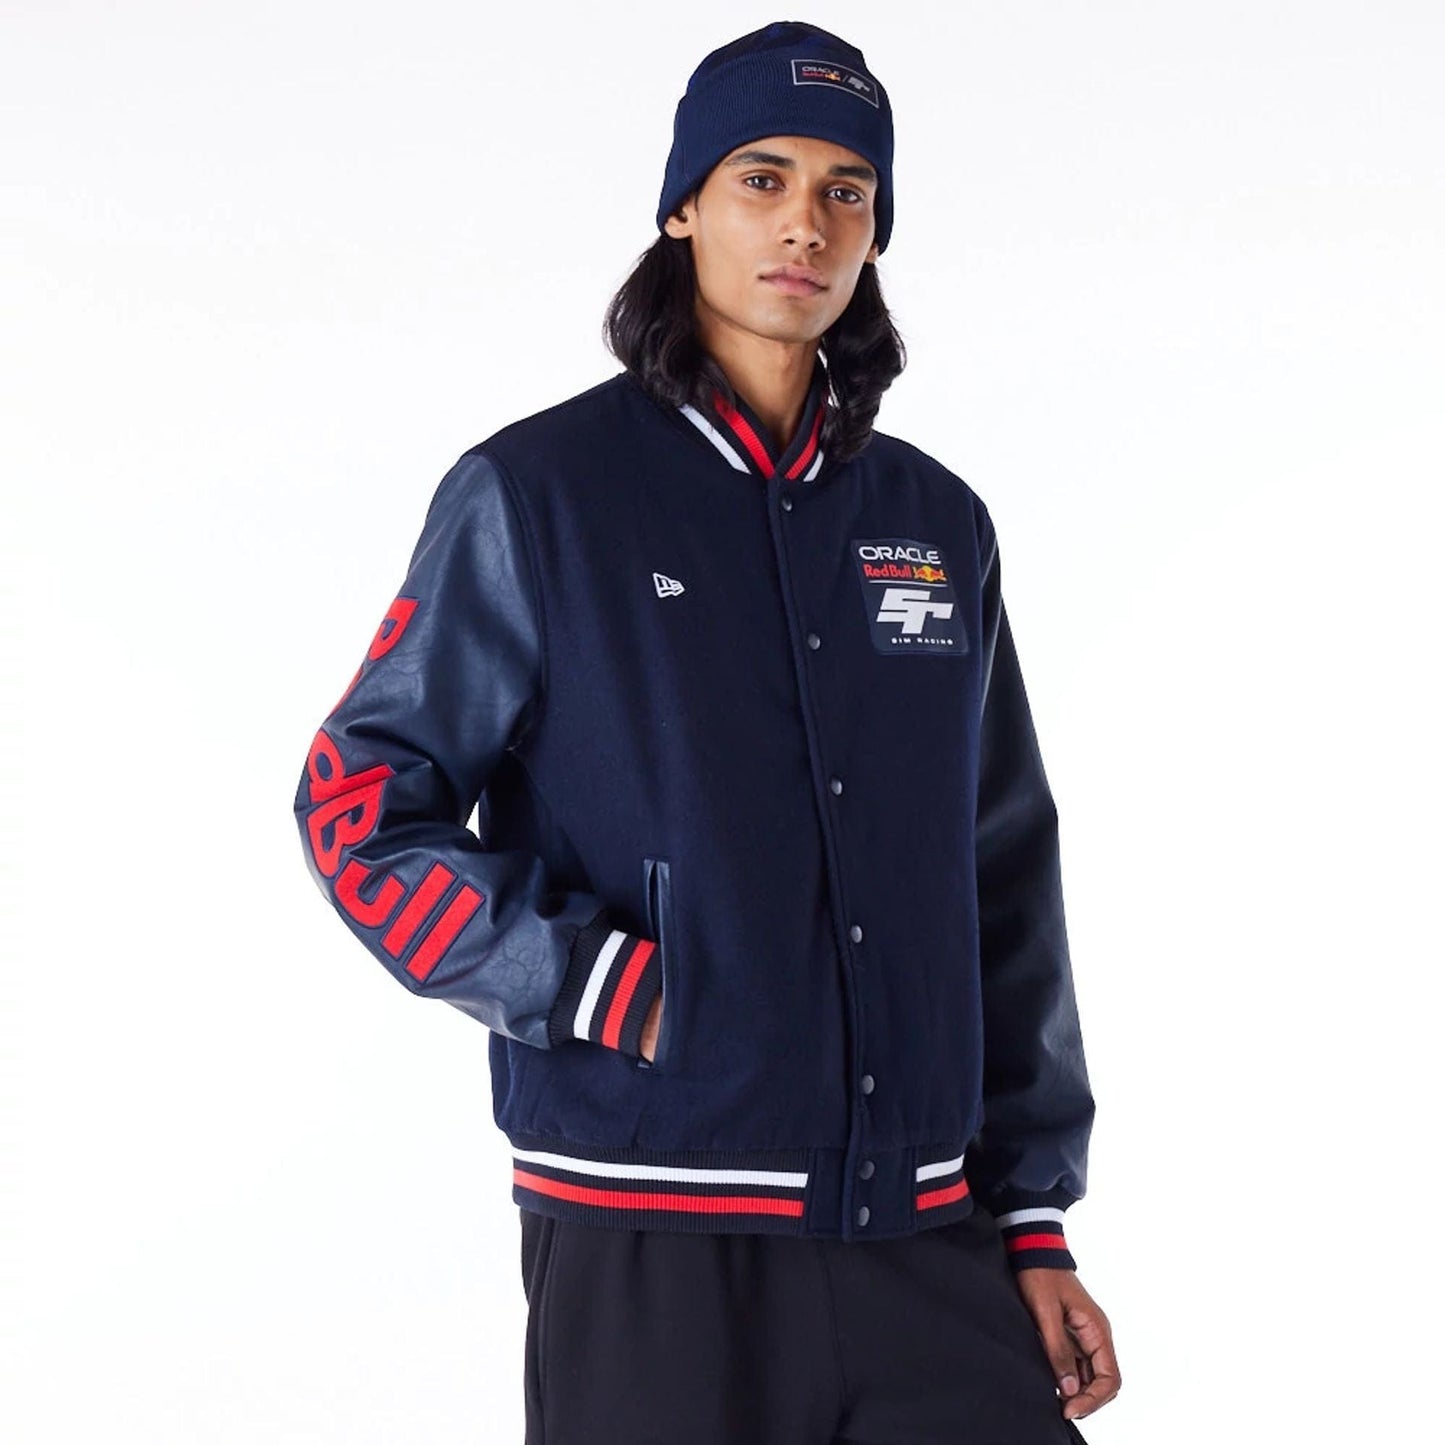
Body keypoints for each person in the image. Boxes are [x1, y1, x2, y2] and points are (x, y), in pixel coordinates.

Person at [293, 20, 1120, 1444]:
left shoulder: (934, 523)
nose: (805, 223)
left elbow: (998, 871)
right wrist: (594, 983)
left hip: (923, 1231)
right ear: (684, 205)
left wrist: (1030, 1215)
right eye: (762, 177)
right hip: (652, 1241)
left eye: (846, 190)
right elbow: (355, 803)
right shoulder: (540, 493)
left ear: (876, 231)